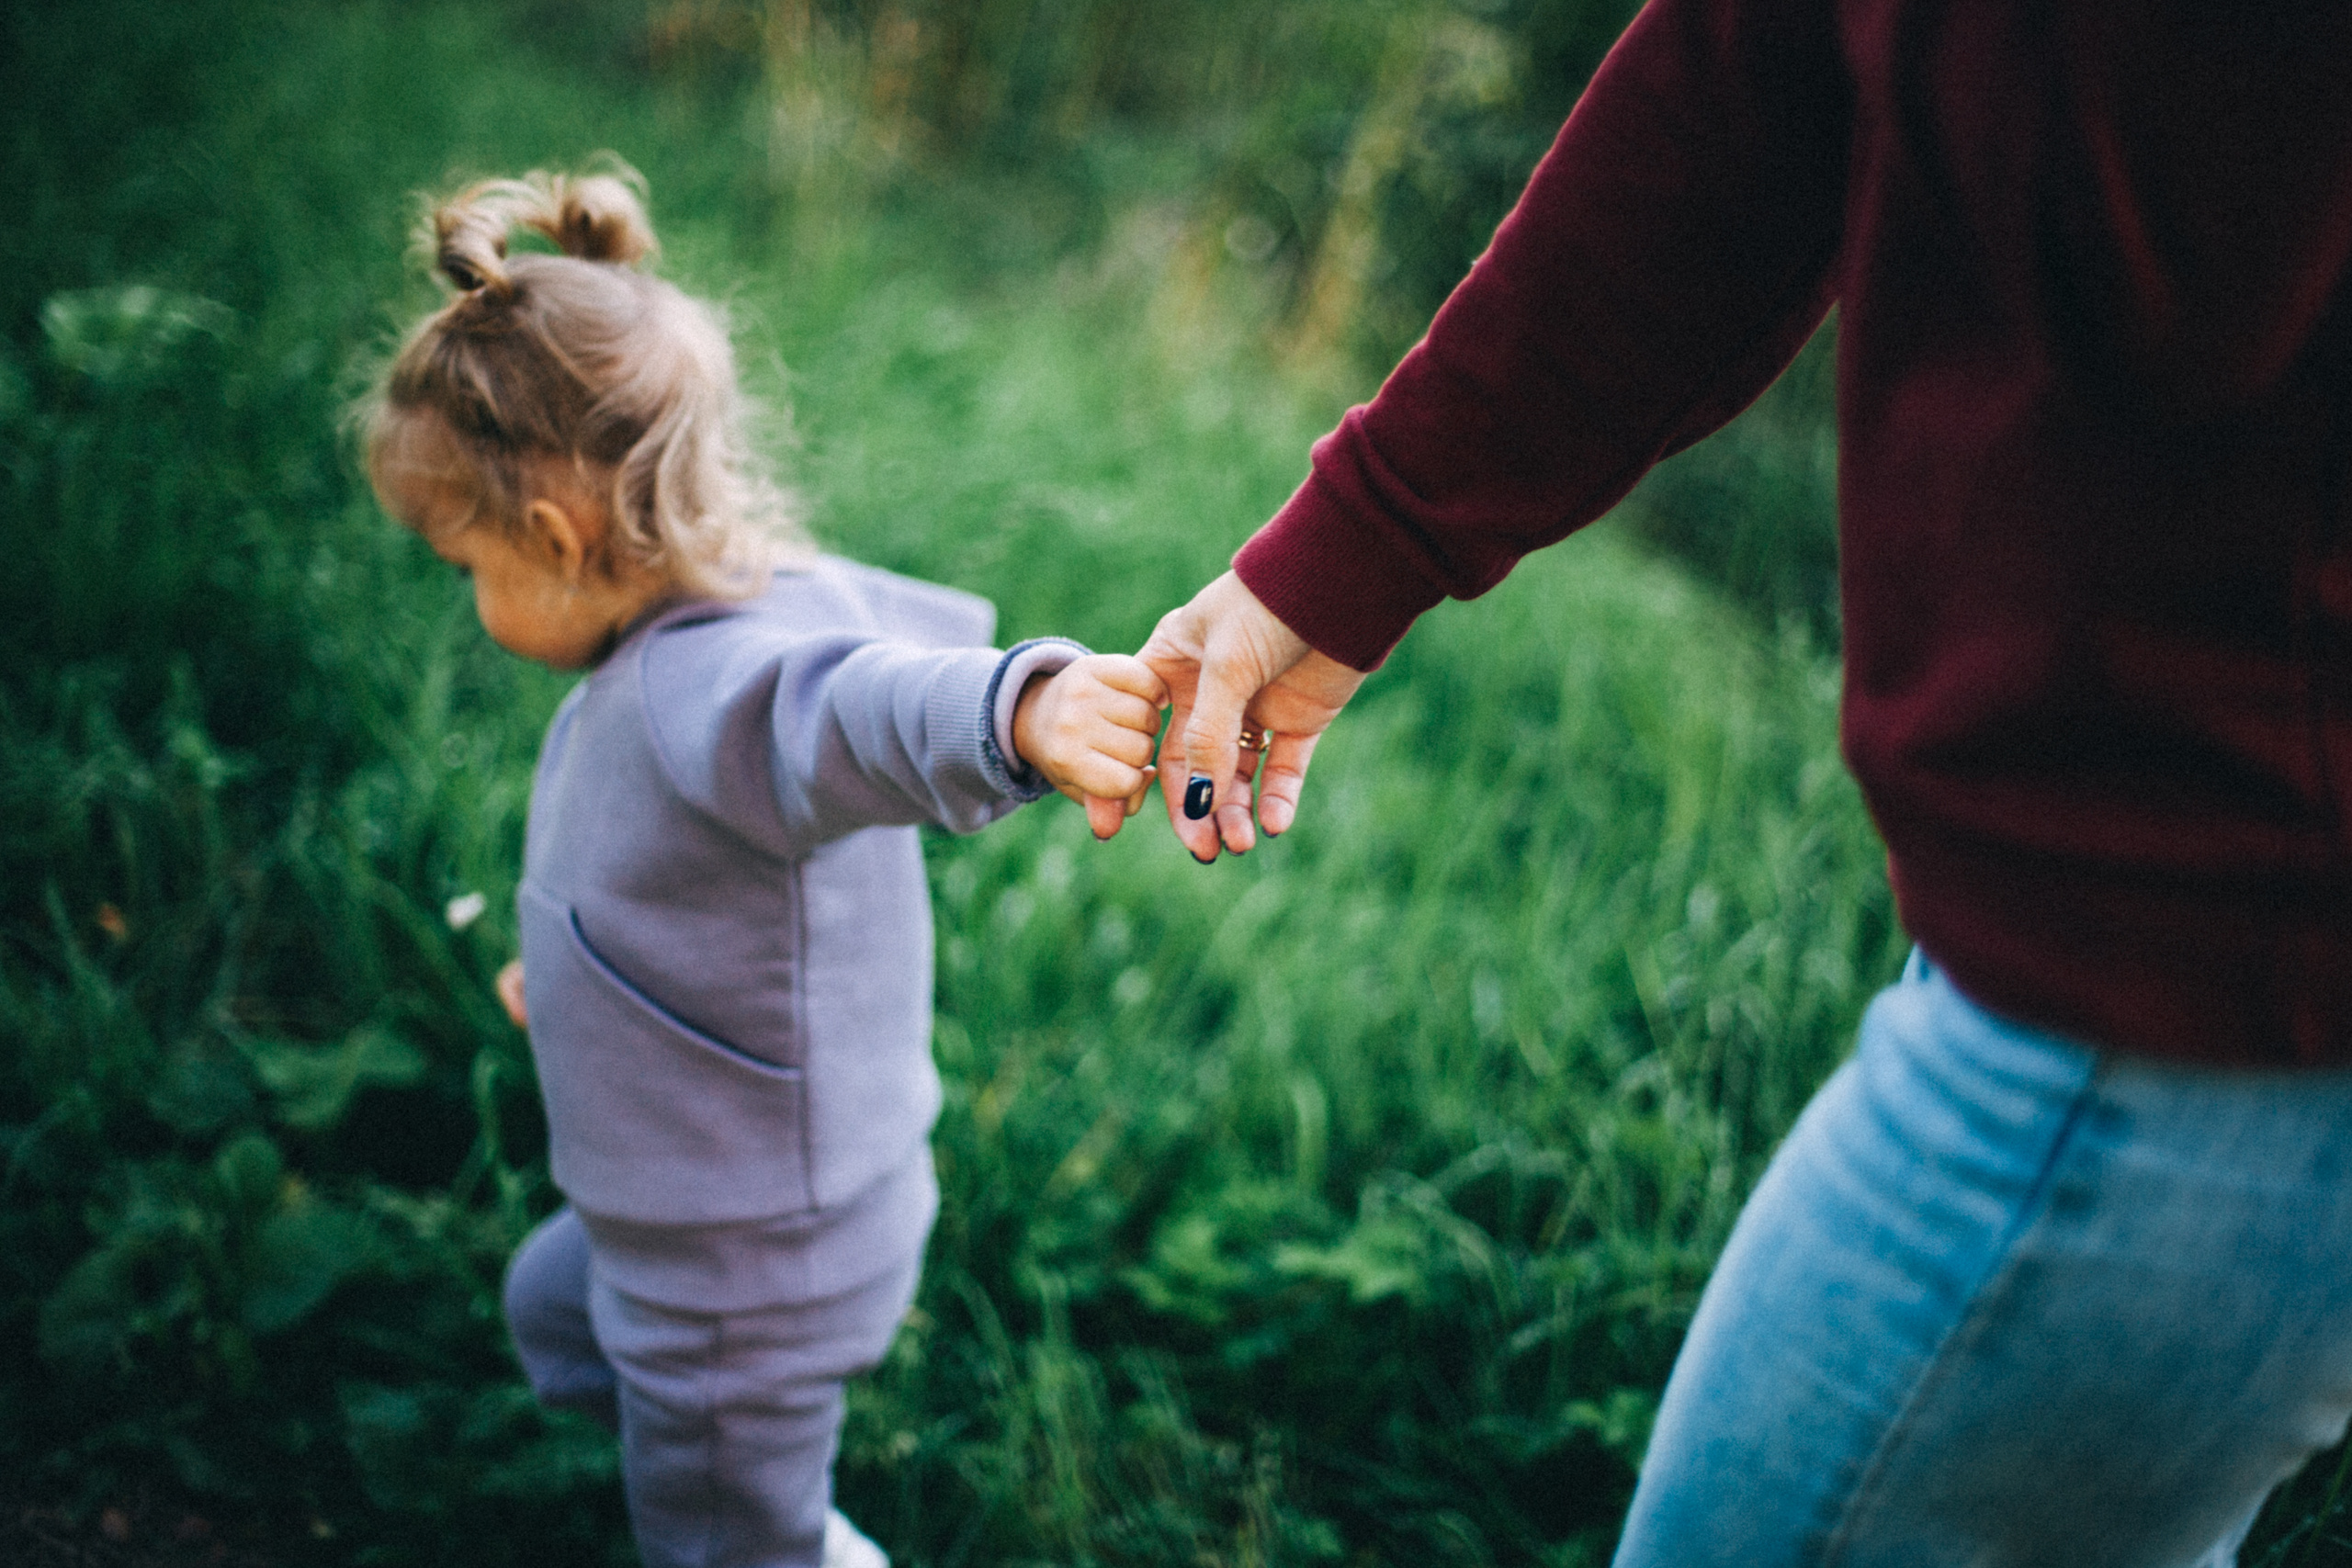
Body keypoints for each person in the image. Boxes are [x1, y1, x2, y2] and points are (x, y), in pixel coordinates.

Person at [1125, 2, 2352, 1563]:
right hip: (2118, 925)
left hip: (2218, 957)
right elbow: (1746, 99)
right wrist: (1349, 554)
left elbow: (2179, 255)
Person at [356, 164, 1166, 1568]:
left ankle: (764, 1525)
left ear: (553, 540)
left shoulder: (720, 680)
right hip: (718, 1209)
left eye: (465, 561)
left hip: (744, 1265)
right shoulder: (731, 607)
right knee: (556, 1309)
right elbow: (677, 877)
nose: (470, 594)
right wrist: (581, 978)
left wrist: (1015, 709)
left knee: (730, 1546)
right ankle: (729, 1479)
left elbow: (853, 711)